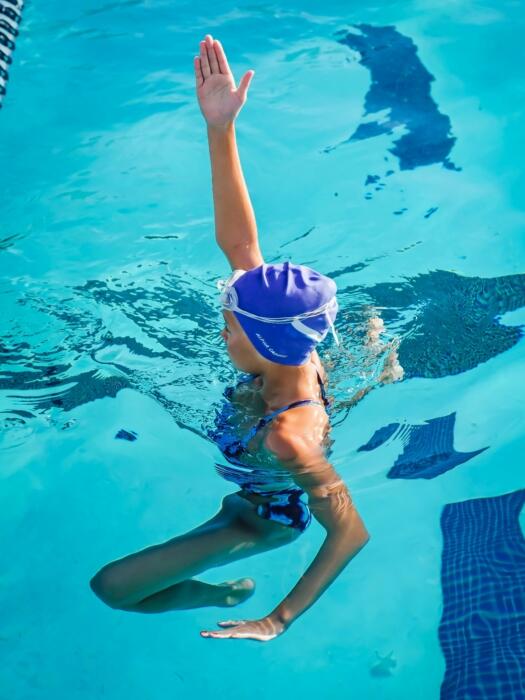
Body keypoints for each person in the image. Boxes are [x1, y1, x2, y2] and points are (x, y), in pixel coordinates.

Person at [89, 34, 397, 642]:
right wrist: (220, 128)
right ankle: (214, 588)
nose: (220, 328)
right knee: (120, 590)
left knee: (114, 590)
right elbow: (241, 246)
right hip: (247, 476)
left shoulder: (290, 436)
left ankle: (228, 593)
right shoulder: (290, 347)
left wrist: (276, 620)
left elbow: (351, 532)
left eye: (228, 324)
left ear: (261, 341)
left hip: (262, 518)